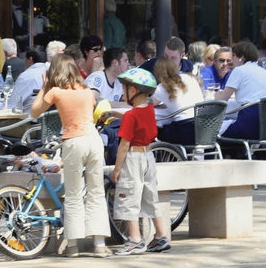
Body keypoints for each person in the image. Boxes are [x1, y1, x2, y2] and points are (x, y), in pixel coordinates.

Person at [31, 54, 110, 258]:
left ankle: (73, 245)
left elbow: (34, 112)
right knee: (96, 191)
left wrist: (45, 86)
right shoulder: (86, 90)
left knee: (74, 193)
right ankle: (99, 244)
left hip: (73, 140)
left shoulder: (56, 92)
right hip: (93, 139)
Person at [110, 67, 171, 255]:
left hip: (132, 158)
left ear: (133, 91)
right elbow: (137, 118)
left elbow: (123, 145)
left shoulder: (131, 116)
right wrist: (115, 115)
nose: (122, 92)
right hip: (148, 156)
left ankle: (135, 240)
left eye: (124, 88)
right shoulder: (149, 109)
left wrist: (117, 169)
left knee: (128, 196)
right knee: (149, 196)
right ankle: (161, 236)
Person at [214, 41, 266, 138]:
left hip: (247, 126)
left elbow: (222, 100)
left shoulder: (239, 70)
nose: (232, 60)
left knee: (211, 129)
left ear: (241, 57)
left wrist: (216, 95)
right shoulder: (264, 72)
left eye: (234, 56)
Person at [152, 55, 204, 146]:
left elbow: (148, 103)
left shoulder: (162, 87)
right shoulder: (189, 78)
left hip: (184, 131)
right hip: (203, 127)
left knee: (159, 130)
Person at [6, 45, 49, 112]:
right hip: (52, 118)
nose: (24, 61)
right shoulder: (53, 73)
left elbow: (13, 105)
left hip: (28, 120)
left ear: (30, 59)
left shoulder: (26, 76)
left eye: (25, 58)